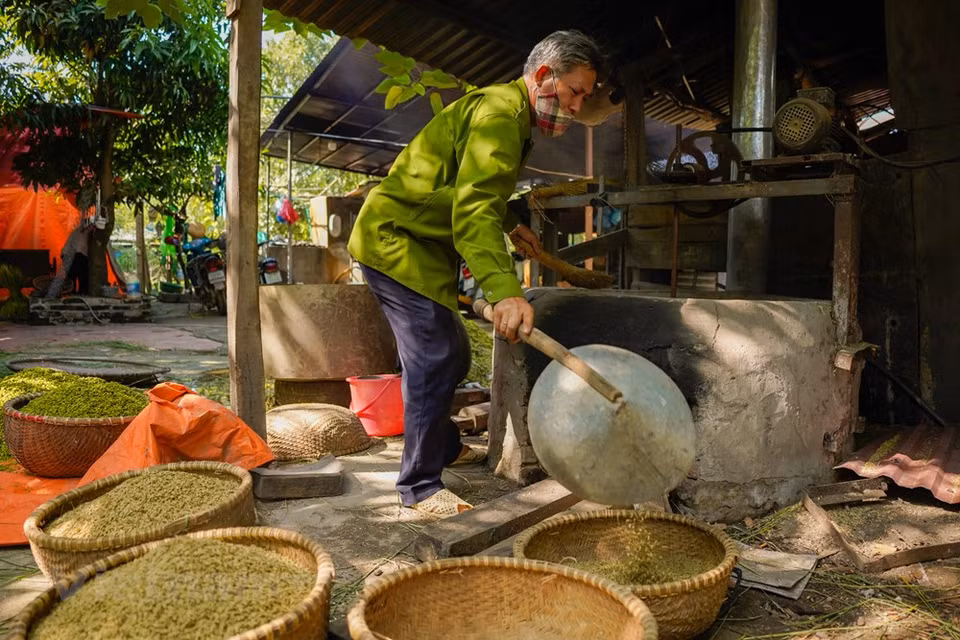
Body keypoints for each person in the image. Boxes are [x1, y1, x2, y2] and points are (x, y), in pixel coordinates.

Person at [348, 30, 604, 517]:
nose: (576, 107)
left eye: (585, 98)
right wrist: (506, 292)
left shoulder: (513, 117)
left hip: (417, 241)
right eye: (575, 91)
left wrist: (511, 221)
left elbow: (469, 190)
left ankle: (440, 449)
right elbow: (472, 212)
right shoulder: (501, 116)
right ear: (545, 76)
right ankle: (419, 487)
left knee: (451, 350)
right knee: (436, 353)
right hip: (396, 240)